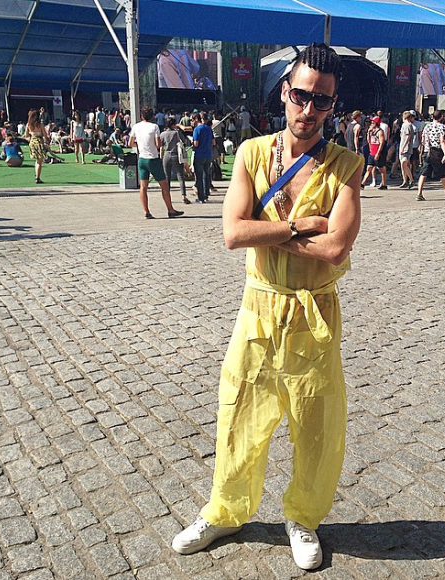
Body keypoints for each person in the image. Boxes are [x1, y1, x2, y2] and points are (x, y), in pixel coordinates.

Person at [170, 42, 363, 571]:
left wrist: (270, 232)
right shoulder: (252, 153)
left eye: (322, 100)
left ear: (333, 105)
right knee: (238, 414)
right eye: (301, 95)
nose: (309, 109)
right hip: (258, 310)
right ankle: (225, 511)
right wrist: (300, 225)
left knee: (316, 424)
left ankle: (302, 518)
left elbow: (336, 249)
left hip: (314, 317)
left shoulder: (346, 165)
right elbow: (233, 233)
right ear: (284, 92)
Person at [129, 106, 184, 219]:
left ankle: (146, 211)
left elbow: (130, 143)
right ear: (152, 117)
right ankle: (170, 209)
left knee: (143, 187)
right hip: (153, 158)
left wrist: (140, 145)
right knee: (164, 185)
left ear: (142, 116)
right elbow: (158, 144)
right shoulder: (154, 127)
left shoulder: (136, 126)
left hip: (142, 159)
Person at [416, 109, 445, 201]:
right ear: (441, 117)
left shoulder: (427, 126)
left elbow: (423, 140)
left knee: (424, 173)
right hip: (437, 151)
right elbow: (442, 140)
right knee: (442, 172)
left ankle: (419, 193)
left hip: (427, 151)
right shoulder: (441, 127)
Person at [160, 117, 190, 205]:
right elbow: (184, 141)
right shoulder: (177, 133)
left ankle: (167, 195)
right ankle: (183, 195)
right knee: (180, 175)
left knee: (167, 177)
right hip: (176, 154)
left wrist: (161, 157)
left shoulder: (163, 134)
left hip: (167, 155)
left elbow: (161, 147)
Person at [191, 112, 214, 203]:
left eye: (192, 120)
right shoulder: (208, 128)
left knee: (199, 176)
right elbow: (213, 142)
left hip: (199, 154)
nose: (191, 122)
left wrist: (192, 141)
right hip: (208, 154)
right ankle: (206, 193)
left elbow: (196, 143)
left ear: (196, 119)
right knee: (206, 174)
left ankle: (201, 197)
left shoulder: (197, 129)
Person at [24, 108, 49, 183]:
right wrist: (47, 142)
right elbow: (45, 135)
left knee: (37, 160)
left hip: (32, 142)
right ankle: (37, 177)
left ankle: (37, 175)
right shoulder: (40, 125)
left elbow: (26, 135)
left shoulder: (28, 125)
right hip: (39, 142)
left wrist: (31, 139)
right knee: (39, 161)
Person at [398, 111, 415, 188]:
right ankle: (405, 181)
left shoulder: (408, 125)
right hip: (402, 146)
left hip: (406, 148)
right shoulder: (403, 125)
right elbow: (401, 134)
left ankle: (411, 180)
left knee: (404, 163)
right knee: (403, 165)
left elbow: (408, 137)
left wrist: (403, 147)